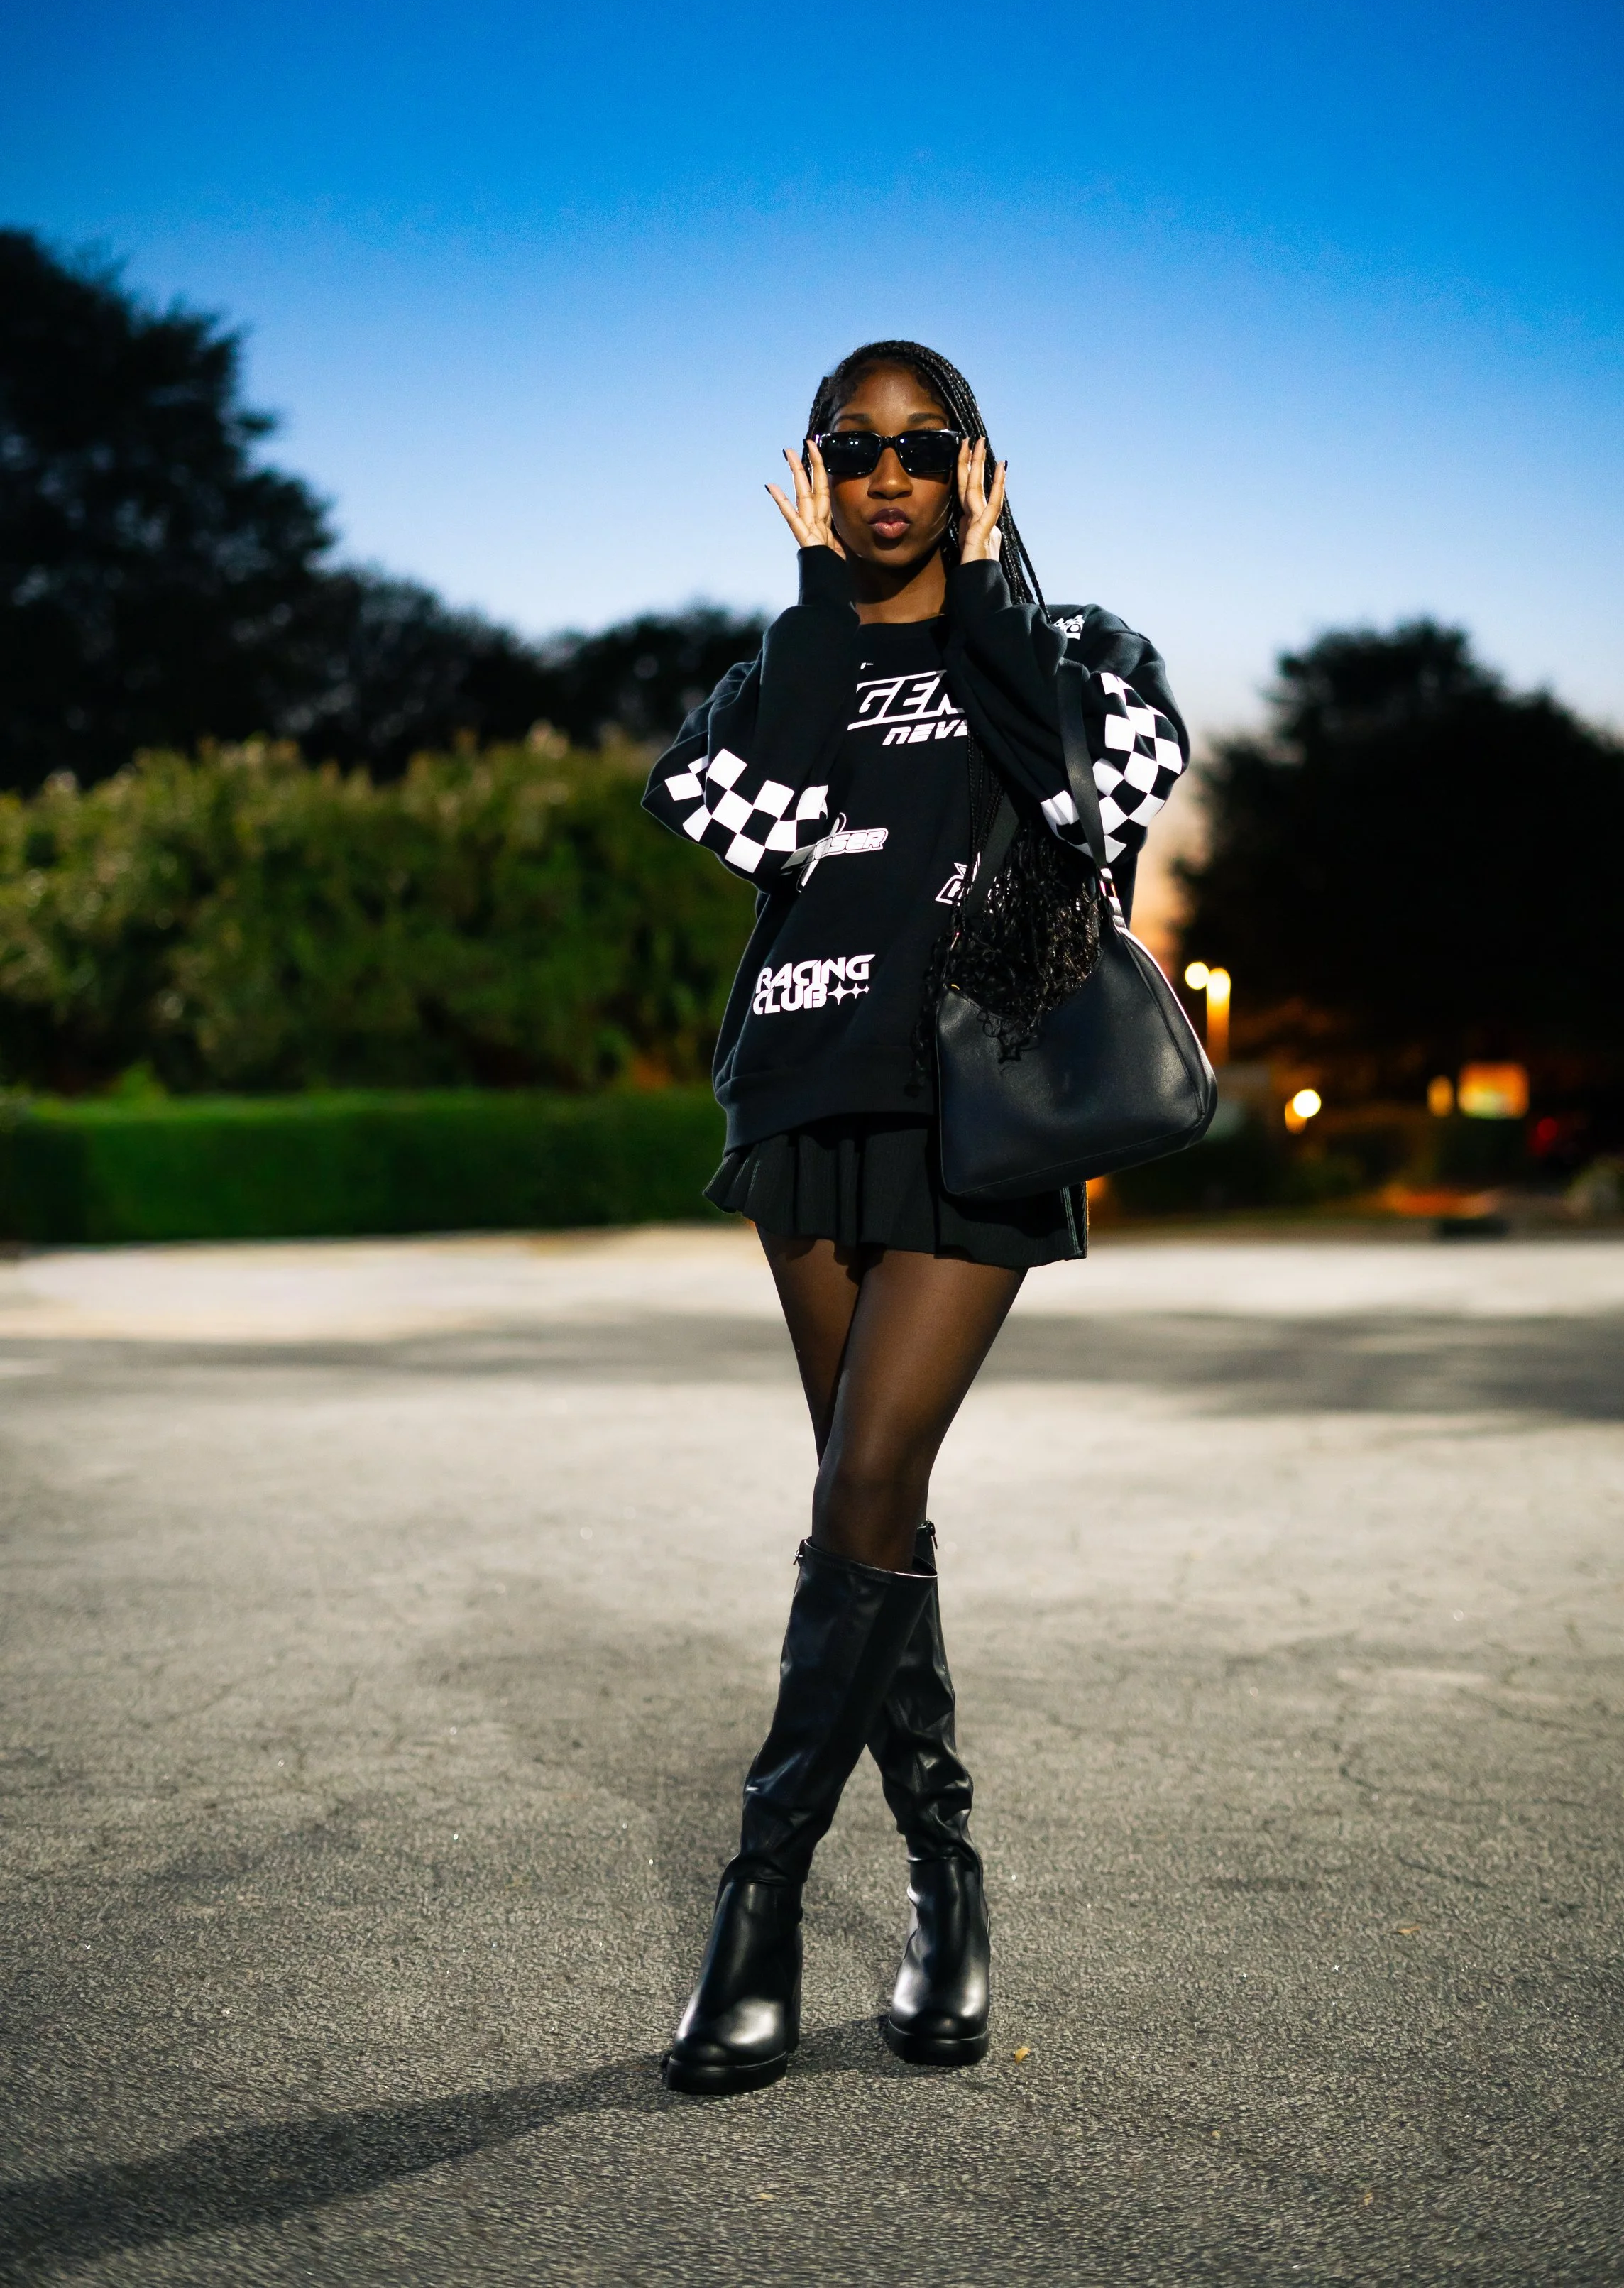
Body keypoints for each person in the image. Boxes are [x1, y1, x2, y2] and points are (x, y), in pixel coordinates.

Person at [642, 339, 1186, 2094]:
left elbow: (1094, 808)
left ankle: (761, 1901)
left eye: (919, 448)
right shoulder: (773, 675)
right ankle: (946, 1890)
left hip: (978, 1118)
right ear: (815, 474)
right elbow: (758, 822)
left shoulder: (1078, 654)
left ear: (972, 467)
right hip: (803, 1108)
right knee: (868, 1520)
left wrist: (998, 627)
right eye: (852, 452)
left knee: (866, 1485)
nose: (886, 477)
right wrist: (814, 605)